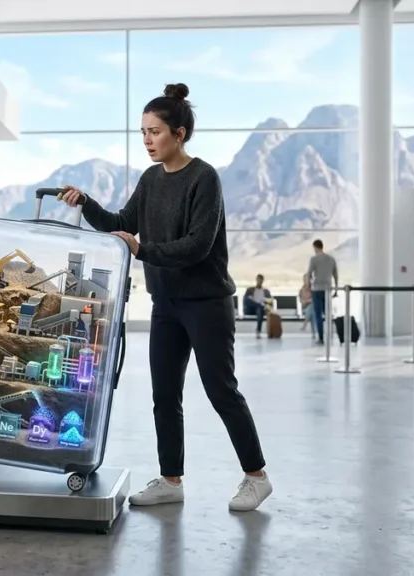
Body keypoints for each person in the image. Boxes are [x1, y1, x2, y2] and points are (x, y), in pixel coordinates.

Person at [57, 82, 271, 512]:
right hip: (166, 303)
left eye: (155, 132)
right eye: (143, 133)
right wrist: (87, 203)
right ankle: (171, 479)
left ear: (180, 134)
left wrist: (143, 250)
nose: (148, 141)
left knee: (220, 389)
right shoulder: (151, 179)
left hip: (207, 303)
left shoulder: (203, 177)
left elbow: (198, 245)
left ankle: (256, 476)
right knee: (164, 394)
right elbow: (123, 221)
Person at [307, 239, 338, 344]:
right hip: (328, 289)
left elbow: (309, 273)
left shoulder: (314, 259)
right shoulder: (331, 259)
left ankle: (321, 337)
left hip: (317, 289)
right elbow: (336, 275)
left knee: (318, 314)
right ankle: (330, 335)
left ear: (315, 247)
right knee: (328, 314)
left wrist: (309, 283)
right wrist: (336, 289)